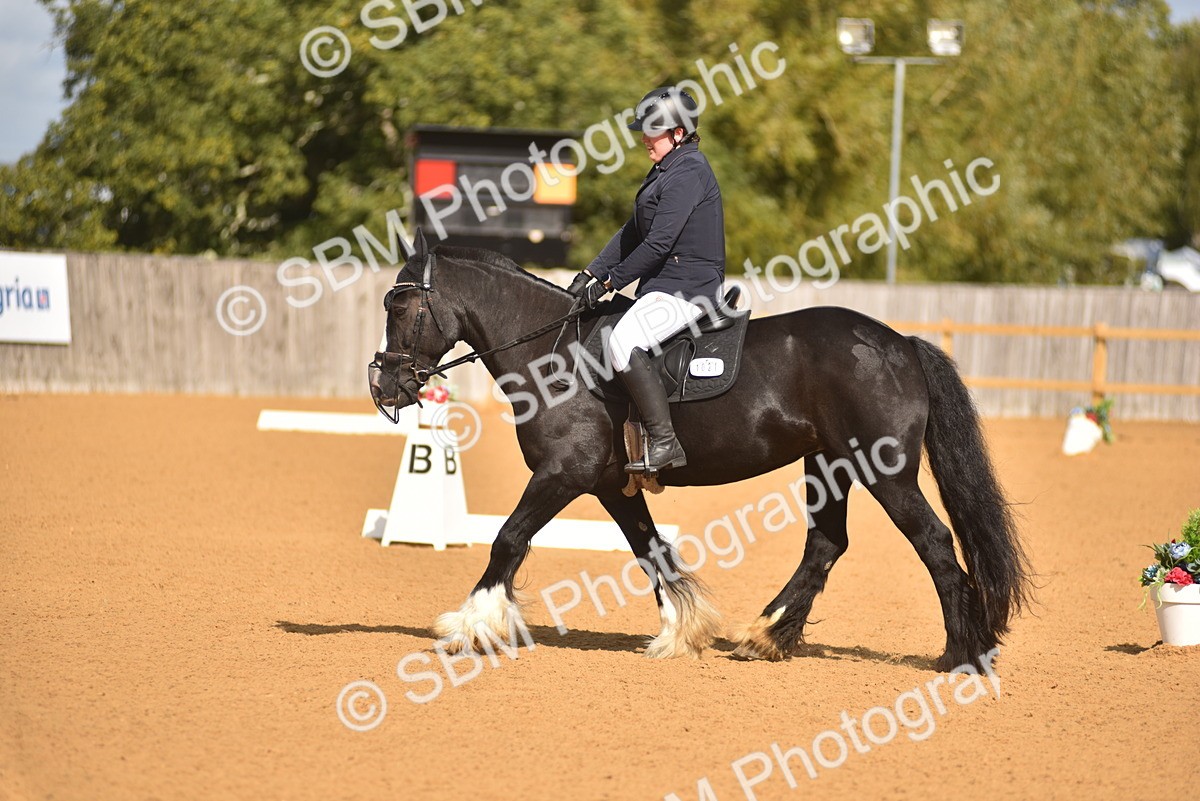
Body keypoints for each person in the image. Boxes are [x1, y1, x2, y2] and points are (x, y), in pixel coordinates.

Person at [566, 86, 726, 474]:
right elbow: (631, 233)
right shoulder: (665, 170)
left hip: (688, 288)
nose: (644, 138)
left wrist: (609, 284)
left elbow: (658, 244)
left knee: (622, 343)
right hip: (663, 285)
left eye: (652, 131)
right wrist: (590, 272)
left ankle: (665, 442)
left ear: (677, 134)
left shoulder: (690, 171)